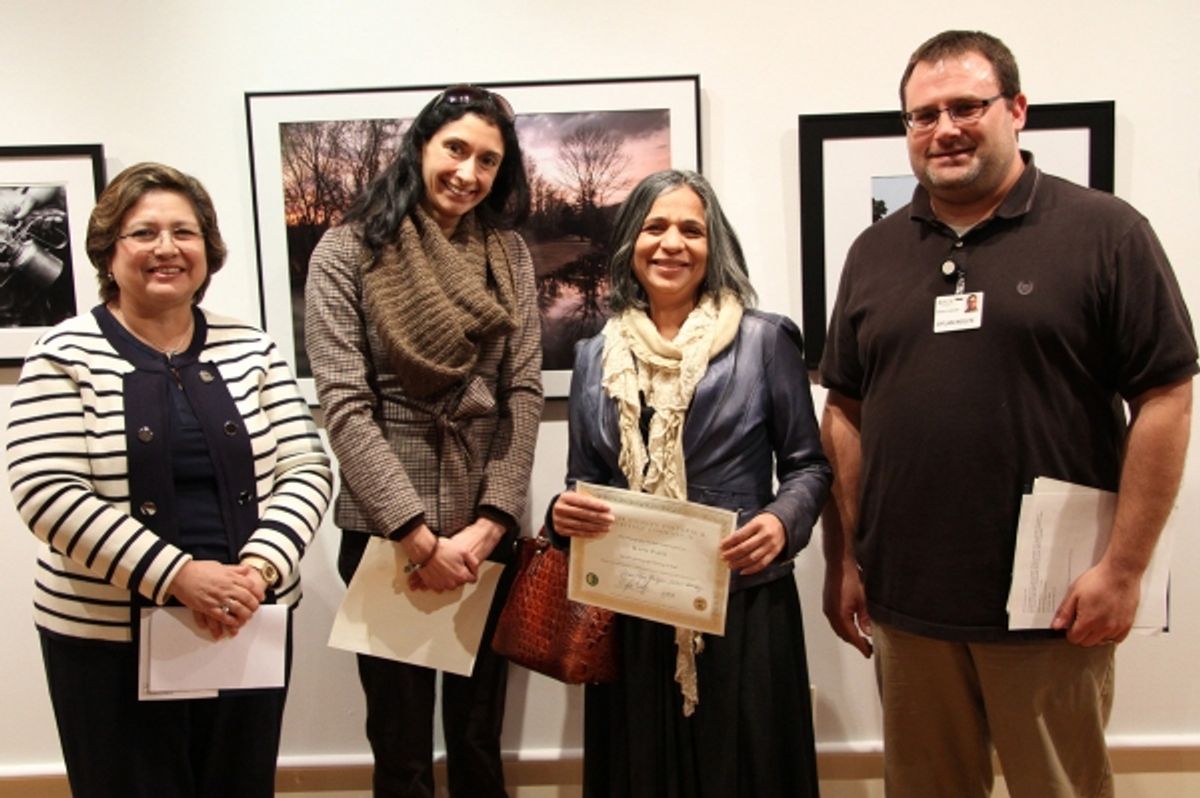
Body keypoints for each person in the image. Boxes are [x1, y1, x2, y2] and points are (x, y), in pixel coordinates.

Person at [820, 30, 1196, 798]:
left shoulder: (1107, 232)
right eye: (923, 115)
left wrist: (1124, 570)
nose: (944, 129)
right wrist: (845, 558)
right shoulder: (872, 252)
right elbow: (845, 412)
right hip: (908, 605)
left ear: (1016, 110)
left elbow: (1166, 395)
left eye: (967, 106)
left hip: (1052, 606)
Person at [4, 162, 333, 798]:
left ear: (208, 248)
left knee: (237, 784)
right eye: (143, 233)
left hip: (246, 619)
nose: (167, 248)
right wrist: (180, 577)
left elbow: (306, 467)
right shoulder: (63, 352)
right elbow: (47, 492)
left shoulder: (252, 347)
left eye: (184, 232)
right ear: (108, 250)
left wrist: (256, 571)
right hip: (106, 640)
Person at [550, 169, 830, 797]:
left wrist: (781, 522)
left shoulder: (764, 341)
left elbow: (809, 467)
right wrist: (562, 515)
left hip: (741, 603)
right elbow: (584, 479)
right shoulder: (595, 355)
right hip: (632, 611)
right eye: (655, 227)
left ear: (713, 245)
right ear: (632, 242)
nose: (671, 243)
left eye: (690, 230)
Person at [305, 85, 542, 798]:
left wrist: (490, 523)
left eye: (488, 160)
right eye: (456, 149)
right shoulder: (346, 249)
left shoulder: (508, 253)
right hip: (386, 537)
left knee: (477, 739)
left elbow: (522, 392)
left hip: (483, 533)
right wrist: (414, 535)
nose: (469, 173)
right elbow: (345, 403)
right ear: (420, 148)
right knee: (400, 746)